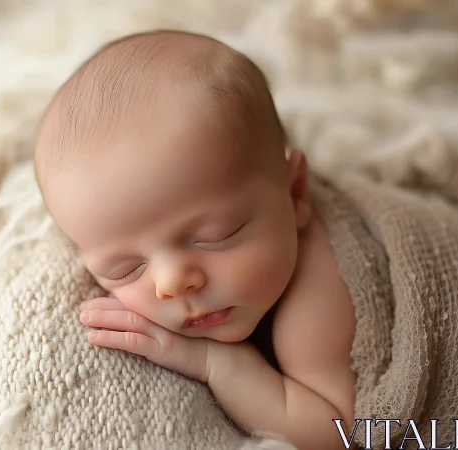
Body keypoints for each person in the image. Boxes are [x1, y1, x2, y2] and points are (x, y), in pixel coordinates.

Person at [34, 29, 356, 450]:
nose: (172, 283)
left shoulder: (316, 297)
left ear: (295, 194)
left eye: (213, 237)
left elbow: (341, 434)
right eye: (126, 269)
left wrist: (217, 364)